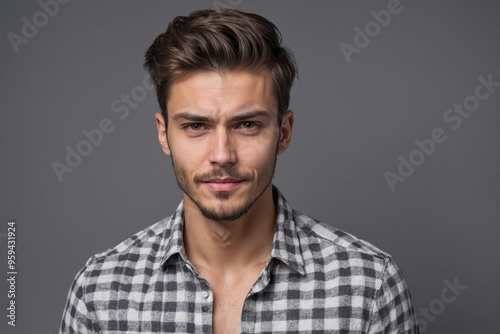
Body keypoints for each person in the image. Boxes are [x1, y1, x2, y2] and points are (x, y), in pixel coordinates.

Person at [60, 8, 419, 334]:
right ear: (163, 134)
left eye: (247, 125)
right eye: (196, 126)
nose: (222, 155)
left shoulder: (368, 288)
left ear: (284, 132)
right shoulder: (100, 293)